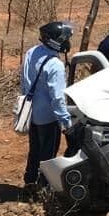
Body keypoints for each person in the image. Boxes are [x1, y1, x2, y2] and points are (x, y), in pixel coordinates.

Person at [21, 21, 73, 191]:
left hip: (32, 113)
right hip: (49, 118)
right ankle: (44, 187)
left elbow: (24, 81)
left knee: (34, 150)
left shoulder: (31, 52)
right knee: (48, 155)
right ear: (54, 41)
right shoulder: (55, 65)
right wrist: (65, 121)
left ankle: (30, 181)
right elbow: (57, 98)